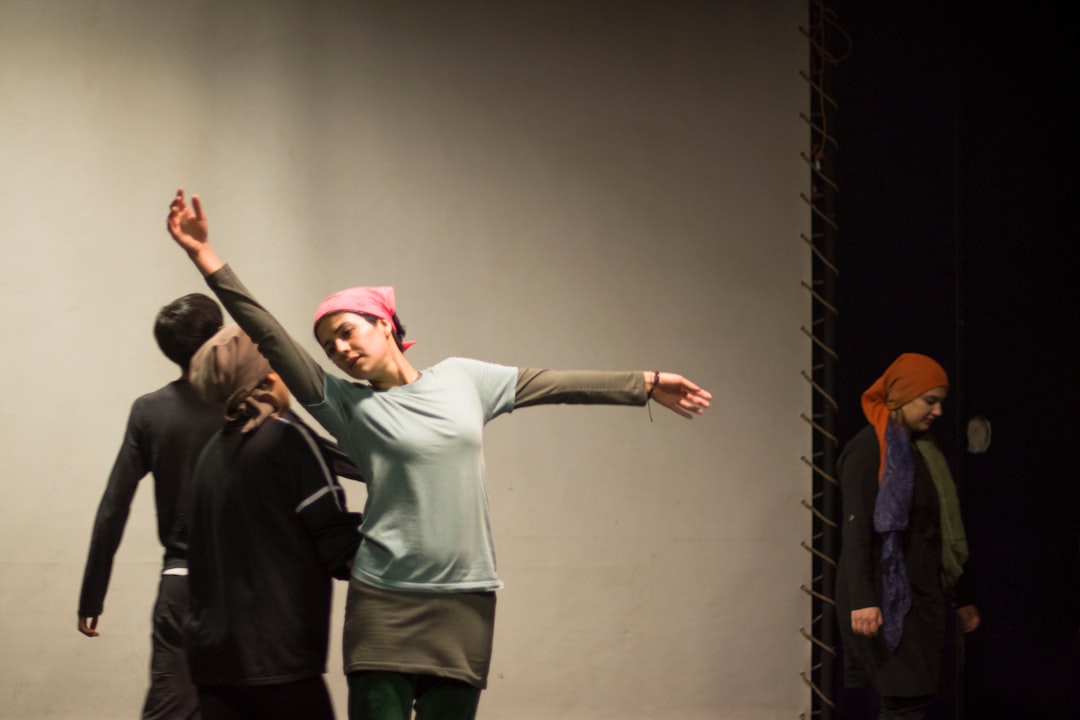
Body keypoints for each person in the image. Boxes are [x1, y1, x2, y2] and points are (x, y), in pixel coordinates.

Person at [165, 188, 712, 720]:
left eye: (348, 333)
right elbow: (268, 331)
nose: (341, 350)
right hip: (383, 598)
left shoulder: (464, 379)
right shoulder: (344, 405)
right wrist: (204, 256)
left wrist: (648, 381)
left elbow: (554, 383)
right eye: (330, 346)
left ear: (384, 323)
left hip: (466, 599)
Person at [184, 324, 364, 720]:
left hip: (213, 669)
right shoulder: (289, 440)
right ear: (270, 376)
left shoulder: (210, 454)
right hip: (281, 666)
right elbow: (339, 549)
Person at [78, 293, 224, 720]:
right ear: (220, 335)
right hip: (247, 588)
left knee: (172, 711)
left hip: (182, 585)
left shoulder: (150, 412)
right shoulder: (251, 401)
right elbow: (319, 453)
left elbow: (113, 507)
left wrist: (92, 596)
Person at [835, 353, 980, 720]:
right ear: (900, 397)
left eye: (941, 402)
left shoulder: (923, 451)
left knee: (913, 700)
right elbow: (856, 531)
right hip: (885, 595)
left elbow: (941, 530)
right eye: (930, 401)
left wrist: (960, 595)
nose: (938, 412)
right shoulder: (868, 450)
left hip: (921, 594)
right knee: (905, 702)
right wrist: (864, 600)